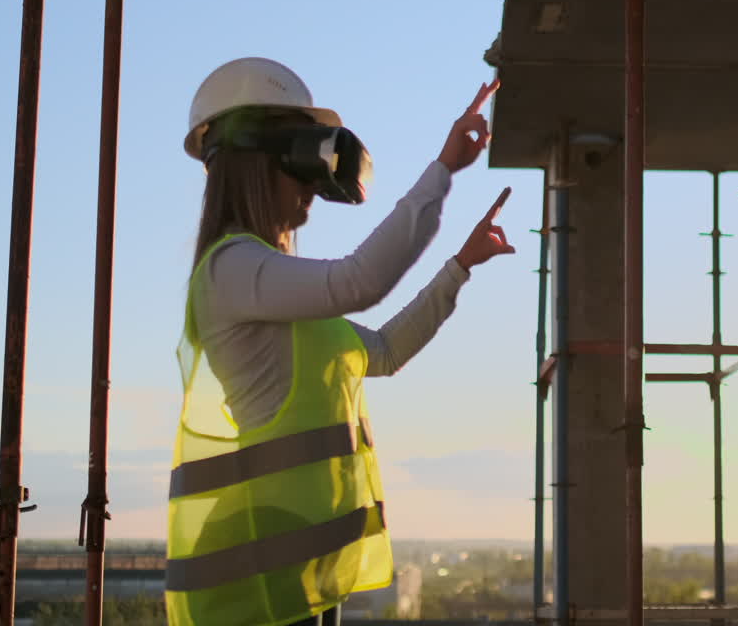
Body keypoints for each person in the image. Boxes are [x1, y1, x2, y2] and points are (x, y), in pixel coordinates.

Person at [164, 57, 513, 626]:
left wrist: (460, 266)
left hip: (300, 562)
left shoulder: (279, 290)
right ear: (256, 161)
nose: (312, 186)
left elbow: (385, 352)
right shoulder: (232, 270)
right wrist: (444, 168)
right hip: (256, 563)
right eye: (300, 165)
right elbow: (360, 280)